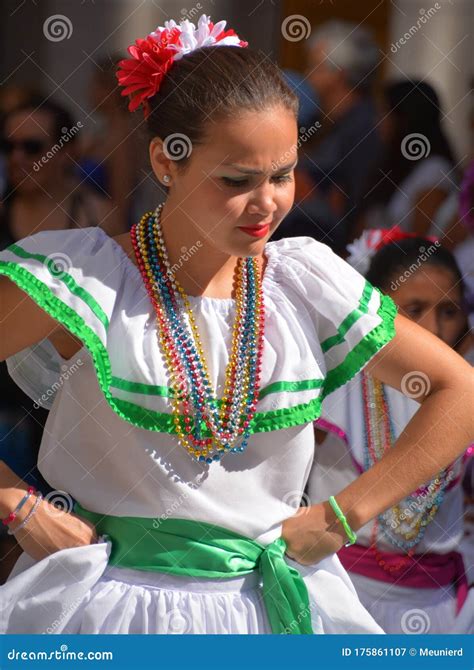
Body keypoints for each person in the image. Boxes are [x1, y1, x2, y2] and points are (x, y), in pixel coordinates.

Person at [0, 14, 472, 635]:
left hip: (266, 613)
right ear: (167, 162)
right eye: (237, 180)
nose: (267, 203)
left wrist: (341, 516)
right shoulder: (87, 277)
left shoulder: (304, 283)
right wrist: (15, 501)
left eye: (282, 176)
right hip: (108, 610)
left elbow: (457, 387)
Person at [309, 229, 473, 633]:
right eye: (414, 309)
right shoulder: (333, 383)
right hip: (338, 599)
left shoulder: (468, 390)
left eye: (449, 311)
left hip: (441, 608)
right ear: (377, 309)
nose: (433, 327)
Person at [272, 21, 382, 253]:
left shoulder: (363, 126)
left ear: (338, 74)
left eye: (316, 67)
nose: (308, 75)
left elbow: (354, 200)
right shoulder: (323, 120)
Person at [357, 81, 457, 238]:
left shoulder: (434, 171)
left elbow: (418, 242)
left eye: (384, 113)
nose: (378, 122)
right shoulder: (392, 163)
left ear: (404, 118)